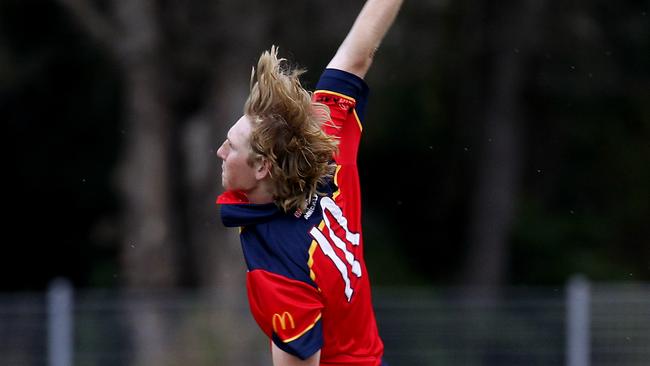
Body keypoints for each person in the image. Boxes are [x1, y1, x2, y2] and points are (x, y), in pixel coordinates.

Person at [216, 1, 403, 365]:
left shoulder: (280, 267)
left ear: (262, 169)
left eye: (232, 146)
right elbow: (356, 58)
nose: (220, 150)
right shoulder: (323, 147)